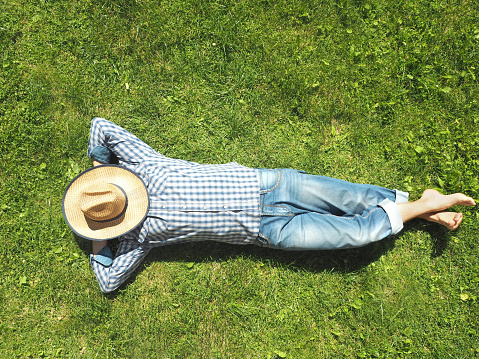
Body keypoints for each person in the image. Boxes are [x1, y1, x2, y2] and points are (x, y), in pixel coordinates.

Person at [62, 118, 476, 293]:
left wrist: (106, 174)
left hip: (272, 185)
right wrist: (101, 233)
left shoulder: (140, 167)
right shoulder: (133, 237)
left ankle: (423, 206)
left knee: (354, 197)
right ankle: (424, 206)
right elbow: (108, 281)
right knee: (355, 233)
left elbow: (101, 128)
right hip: (267, 233)